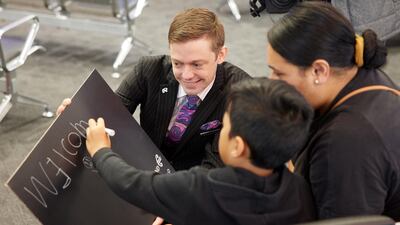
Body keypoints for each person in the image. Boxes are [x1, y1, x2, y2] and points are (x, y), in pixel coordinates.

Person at [85, 78, 316, 225]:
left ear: (237, 147)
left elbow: (132, 184)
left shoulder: (204, 188)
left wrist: (101, 151)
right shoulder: (299, 191)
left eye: (225, 126)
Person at [57, 8, 250, 170]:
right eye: (177, 63)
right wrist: (78, 118)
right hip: (143, 170)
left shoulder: (241, 91)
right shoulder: (148, 70)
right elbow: (110, 118)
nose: (186, 75)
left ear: (221, 55)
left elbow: (215, 167)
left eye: (197, 65)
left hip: (196, 188)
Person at [266, 2, 400, 220]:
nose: (272, 82)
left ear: (319, 70)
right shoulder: (367, 76)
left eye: (279, 73)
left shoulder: (343, 143)